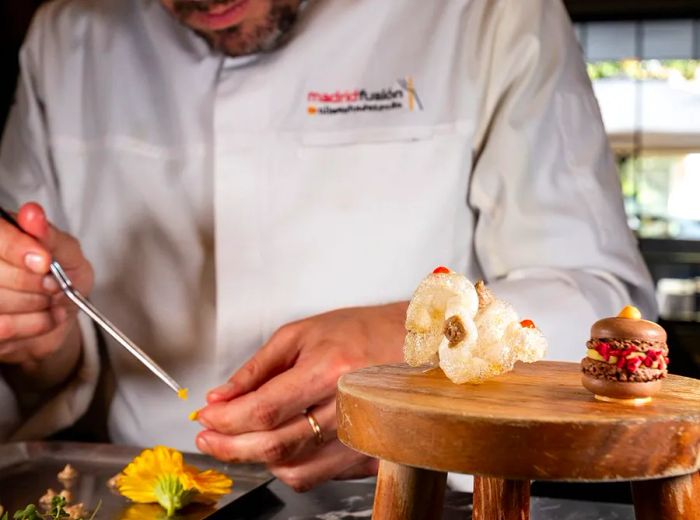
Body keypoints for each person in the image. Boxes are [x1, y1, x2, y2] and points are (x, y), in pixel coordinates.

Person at [0, 0, 655, 492]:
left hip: (414, 493)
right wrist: (41, 342)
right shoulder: (68, 37)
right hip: (145, 493)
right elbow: (45, 362)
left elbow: (607, 314)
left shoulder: (489, 12)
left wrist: (416, 358)